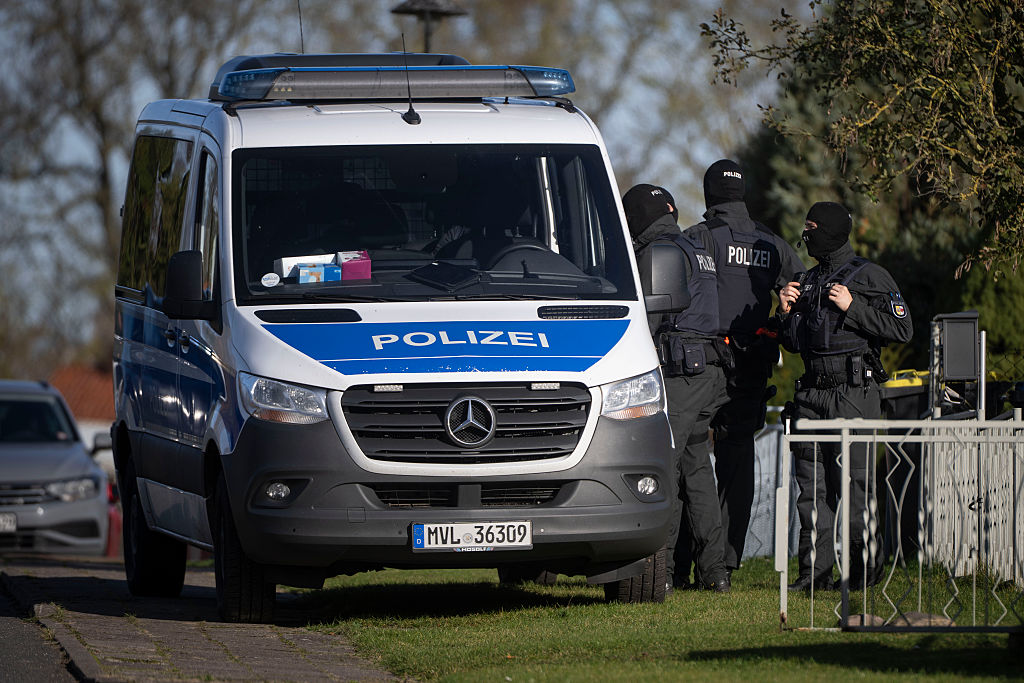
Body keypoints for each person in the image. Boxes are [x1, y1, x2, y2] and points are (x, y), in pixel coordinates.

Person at [777, 201, 912, 590]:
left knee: (855, 486)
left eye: (813, 227)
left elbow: (902, 329)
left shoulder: (870, 276)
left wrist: (853, 308)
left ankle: (862, 572)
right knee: (812, 489)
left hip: (854, 394)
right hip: (812, 396)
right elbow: (793, 343)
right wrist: (785, 311)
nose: (806, 234)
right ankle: (813, 574)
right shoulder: (807, 281)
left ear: (833, 230)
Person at [683, 160, 805, 579]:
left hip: (700, 366)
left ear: (709, 196)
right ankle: (725, 564)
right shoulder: (772, 243)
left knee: (690, 457)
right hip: (751, 366)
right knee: (736, 463)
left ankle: (684, 562)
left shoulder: (697, 239)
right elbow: (802, 292)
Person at [623, 183, 731, 594]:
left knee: (661, 467)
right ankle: (714, 573)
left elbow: (647, 324)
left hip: (679, 374)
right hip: (706, 371)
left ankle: (660, 572)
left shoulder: (659, 252)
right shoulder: (695, 247)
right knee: (698, 471)